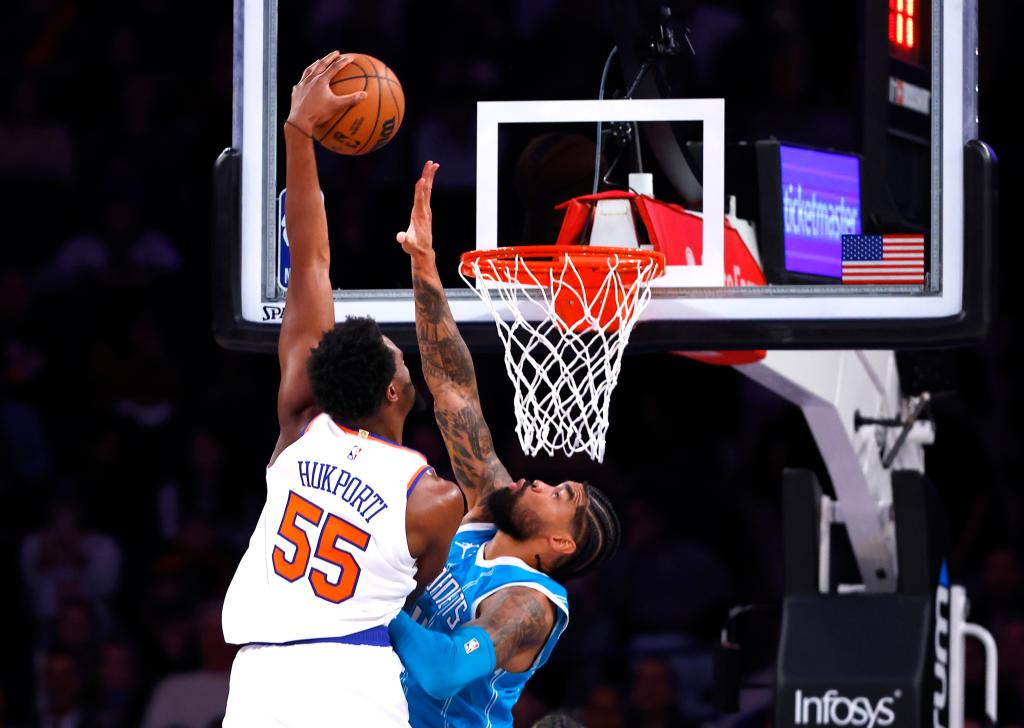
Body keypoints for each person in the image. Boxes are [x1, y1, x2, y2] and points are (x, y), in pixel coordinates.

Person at [220, 52, 466, 727]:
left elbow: (313, 265)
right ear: (394, 393)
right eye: (401, 359)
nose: (404, 362)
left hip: (259, 682)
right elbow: (417, 590)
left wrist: (300, 137)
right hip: (352, 681)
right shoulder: (435, 498)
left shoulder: (301, 421)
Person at [388, 161, 622, 727]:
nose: (541, 480)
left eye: (559, 493)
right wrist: (424, 264)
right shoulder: (490, 512)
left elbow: (444, 671)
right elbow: (452, 390)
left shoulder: (529, 603)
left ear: (561, 542)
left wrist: (371, 595)